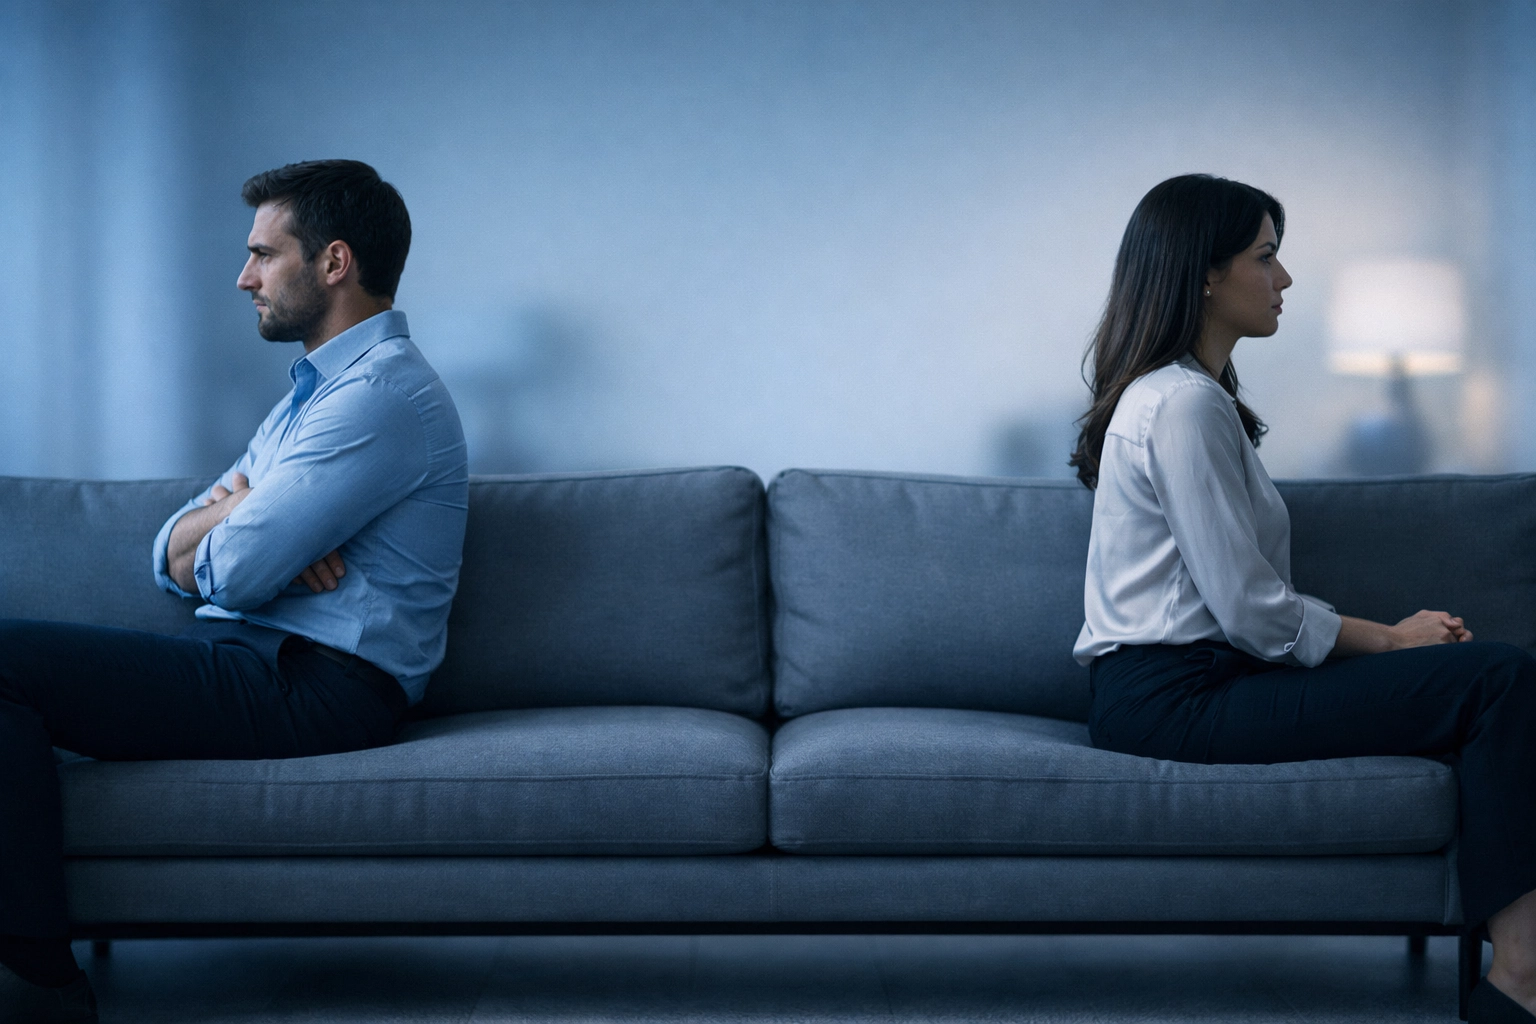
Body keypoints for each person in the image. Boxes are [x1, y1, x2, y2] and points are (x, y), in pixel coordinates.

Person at [0, 159, 467, 1022]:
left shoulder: (379, 396)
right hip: (256, 658)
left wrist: (244, 532)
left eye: (263, 254)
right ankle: (31, 970)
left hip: (314, 683)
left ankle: (37, 983)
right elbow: (167, 555)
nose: (243, 276)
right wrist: (247, 518)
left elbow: (231, 571)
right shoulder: (309, 398)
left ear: (334, 263)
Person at [1070, 173, 1536, 1024]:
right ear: (1204, 274)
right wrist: (1393, 643)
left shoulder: (1194, 399)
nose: (1284, 280)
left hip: (1192, 684)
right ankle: (1522, 976)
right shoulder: (1180, 406)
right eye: (1266, 257)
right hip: (1174, 696)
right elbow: (1249, 607)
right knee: (1497, 678)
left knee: (1483, 676)